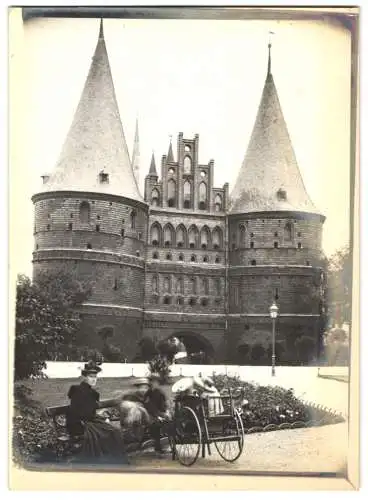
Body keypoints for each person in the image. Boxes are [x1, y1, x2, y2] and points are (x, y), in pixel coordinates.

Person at [66, 360, 129, 464]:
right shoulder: (78, 390)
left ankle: (113, 459)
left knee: (114, 430)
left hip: (89, 419)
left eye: (95, 377)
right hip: (81, 423)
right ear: (85, 377)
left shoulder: (91, 392)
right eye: (91, 377)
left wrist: (99, 415)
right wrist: (97, 416)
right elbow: (79, 412)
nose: (93, 379)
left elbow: (90, 410)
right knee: (112, 431)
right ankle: (111, 459)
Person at [143, 373, 171, 454]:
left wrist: (166, 412)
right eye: (152, 381)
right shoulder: (148, 393)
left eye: (155, 382)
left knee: (170, 421)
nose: (153, 383)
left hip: (160, 412)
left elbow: (165, 404)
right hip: (151, 414)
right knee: (156, 423)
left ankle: (169, 443)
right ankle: (158, 447)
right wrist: (157, 416)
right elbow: (148, 406)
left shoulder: (160, 392)